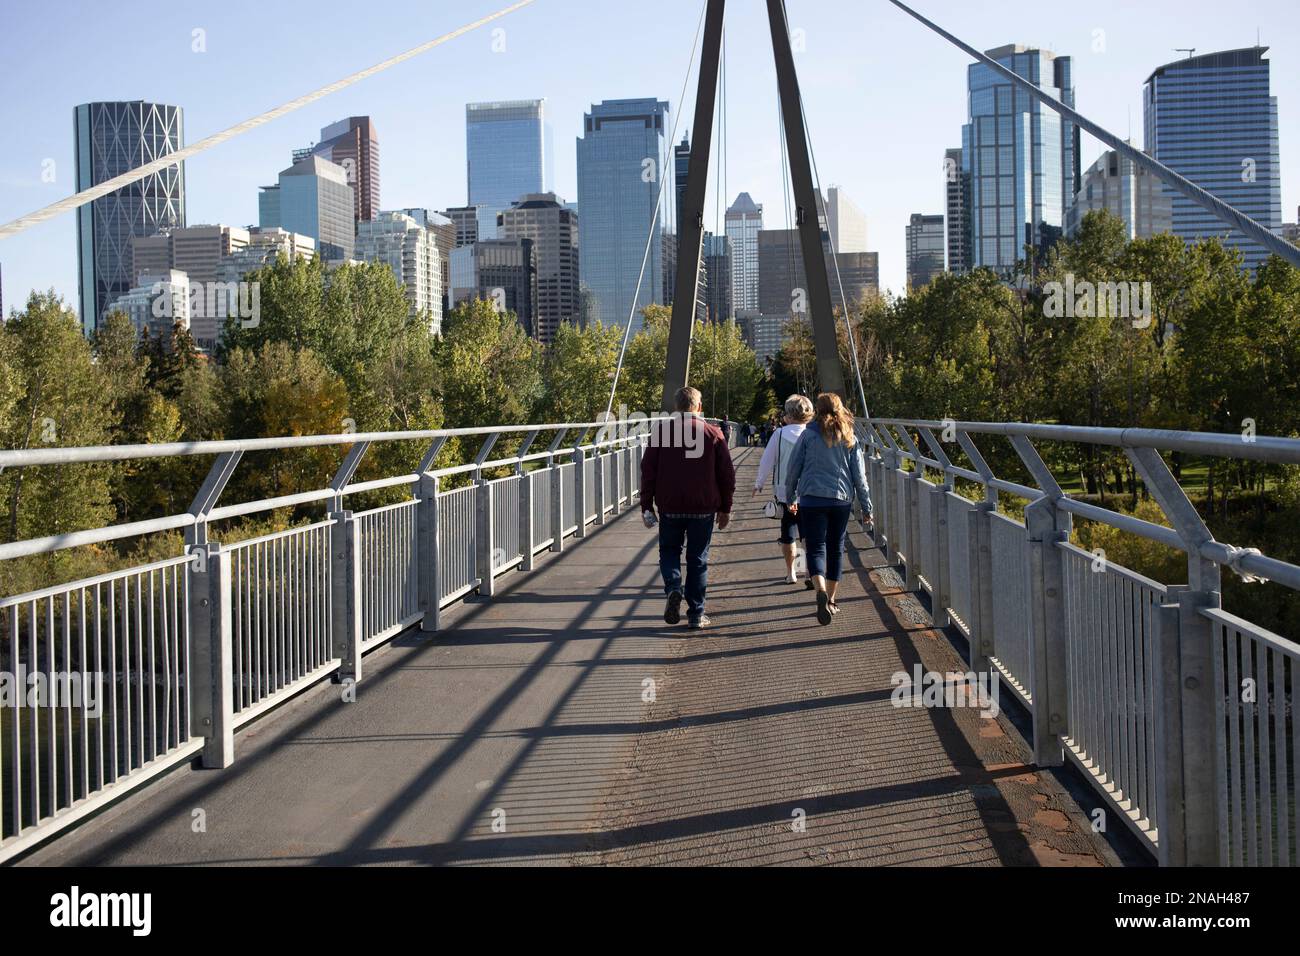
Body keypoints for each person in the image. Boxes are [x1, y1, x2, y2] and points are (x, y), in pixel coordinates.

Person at [641, 386, 736, 630]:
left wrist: (646, 505)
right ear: (699, 407)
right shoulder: (713, 433)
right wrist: (725, 507)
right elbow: (726, 475)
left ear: (676, 407)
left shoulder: (660, 432)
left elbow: (648, 472)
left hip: (670, 505)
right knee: (698, 559)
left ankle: (673, 587)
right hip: (703, 508)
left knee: (669, 552)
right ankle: (696, 614)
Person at [784, 392, 873, 626]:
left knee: (815, 548)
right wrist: (867, 507)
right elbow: (859, 477)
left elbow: (794, 468)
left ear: (817, 410)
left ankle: (819, 589)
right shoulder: (849, 436)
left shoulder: (807, 435)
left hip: (812, 499)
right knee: (835, 549)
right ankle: (831, 600)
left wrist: (790, 495)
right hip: (840, 500)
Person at [752, 394, 815, 584]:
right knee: (806, 533)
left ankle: (791, 573)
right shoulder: (813, 435)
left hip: (785, 495)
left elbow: (767, 461)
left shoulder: (779, 435)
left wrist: (759, 483)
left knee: (788, 530)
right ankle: (808, 572)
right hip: (809, 494)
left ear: (787, 416)